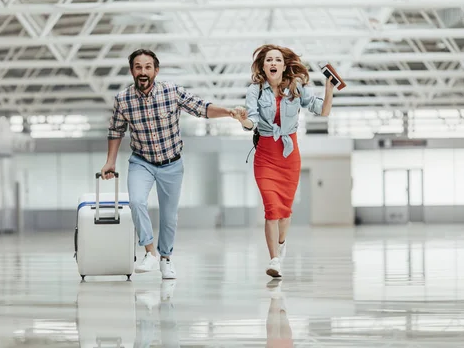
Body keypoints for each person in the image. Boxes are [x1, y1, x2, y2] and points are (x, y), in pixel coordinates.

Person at [101, 48, 234, 279]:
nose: (143, 72)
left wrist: (230, 113)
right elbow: (115, 131)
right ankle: (150, 253)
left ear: (156, 70)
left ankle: (166, 259)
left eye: (148, 67)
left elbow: (202, 108)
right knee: (136, 201)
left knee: (169, 216)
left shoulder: (171, 92)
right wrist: (110, 162)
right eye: (138, 67)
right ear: (132, 71)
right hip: (141, 161)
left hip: (172, 164)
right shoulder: (123, 99)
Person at [231, 44, 334, 278]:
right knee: (271, 208)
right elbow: (252, 124)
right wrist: (242, 120)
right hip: (266, 154)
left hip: (289, 155)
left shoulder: (296, 88)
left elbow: (324, 111)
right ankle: (274, 259)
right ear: (263, 66)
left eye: (277, 60)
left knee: (285, 212)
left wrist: (329, 88)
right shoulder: (255, 90)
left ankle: (281, 242)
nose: (273, 63)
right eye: (269, 60)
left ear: (284, 65)